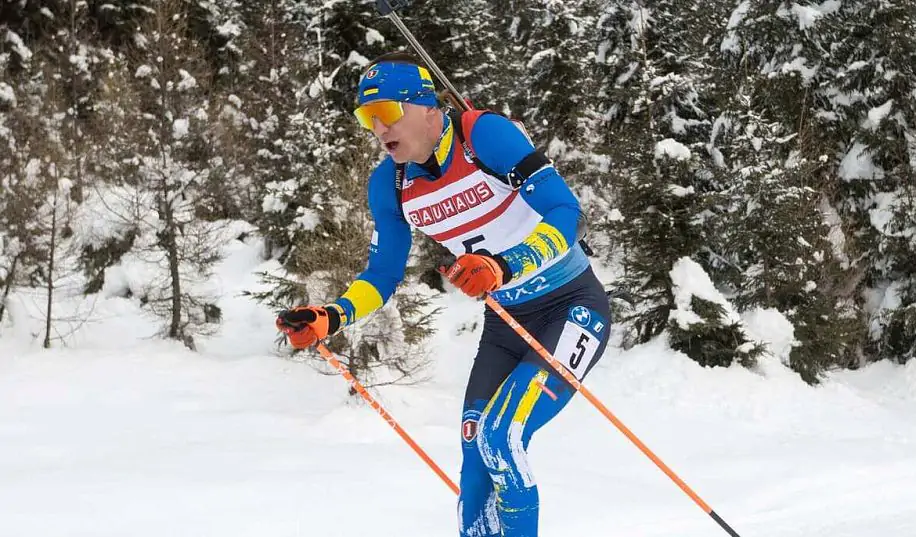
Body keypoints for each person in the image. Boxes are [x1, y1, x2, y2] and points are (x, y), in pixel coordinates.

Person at [275, 52, 611, 537]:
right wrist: (332, 315)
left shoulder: (483, 136)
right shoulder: (389, 183)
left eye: (386, 112)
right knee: (475, 455)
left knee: (502, 437)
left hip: (570, 306)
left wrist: (505, 264)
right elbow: (383, 272)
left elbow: (564, 208)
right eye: (366, 118)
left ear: (427, 107)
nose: (376, 127)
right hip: (505, 325)